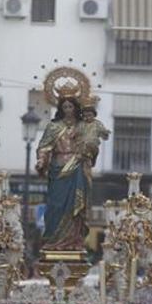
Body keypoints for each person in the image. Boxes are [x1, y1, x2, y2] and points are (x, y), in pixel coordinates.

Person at [35, 96, 92, 250]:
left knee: (74, 205)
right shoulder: (53, 127)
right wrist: (41, 160)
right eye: (65, 107)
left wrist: (87, 149)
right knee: (55, 205)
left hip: (76, 168)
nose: (68, 110)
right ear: (61, 109)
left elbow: (92, 146)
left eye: (70, 106)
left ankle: (73, 241)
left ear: (75, 108)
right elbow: (44, 147)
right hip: (58, 168)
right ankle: (54, 241)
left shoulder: (83, 126)